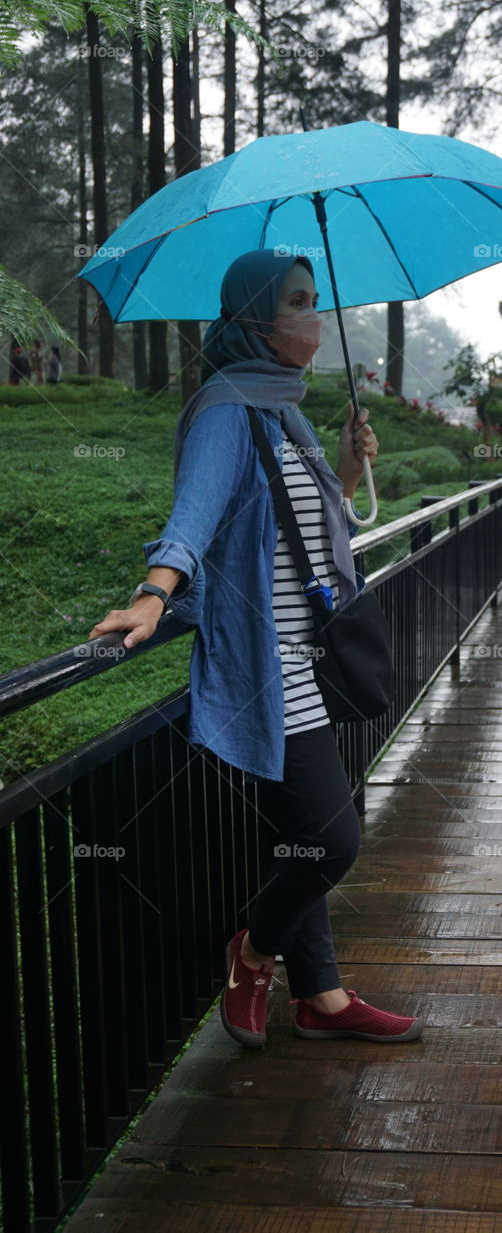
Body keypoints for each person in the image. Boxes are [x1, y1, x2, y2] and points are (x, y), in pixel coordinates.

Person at [87, 249, 423, 1050]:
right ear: (252, 320)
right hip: (265, 670)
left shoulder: (283, 411)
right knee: (333, 840)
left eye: (314, 300)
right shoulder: (226, 407)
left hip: (309, 659)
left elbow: (303, 532)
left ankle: (323, 999)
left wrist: (342, 468)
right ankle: (253, 952)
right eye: (297, 302)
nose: (314, 317)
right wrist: (154, 592)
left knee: (296, 837)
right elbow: (197, 513)